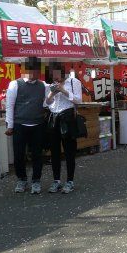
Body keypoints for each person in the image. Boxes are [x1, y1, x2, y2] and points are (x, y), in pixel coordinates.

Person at [5, 57, 49, 194]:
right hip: (19, 124)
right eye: (31, 71)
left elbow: (47, 104)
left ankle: (36, 181)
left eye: (36, 71)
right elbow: (10, 105)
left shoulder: (44, 85)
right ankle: (21, 179)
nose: (34, 74)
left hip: (38, 124)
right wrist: (10, 125)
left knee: (37, 154)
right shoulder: (15, 84)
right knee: (19, 154)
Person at [46, 65, 82, 194]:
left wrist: (63, 90)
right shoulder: (50, 85)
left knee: (69, 151)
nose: (54, 78)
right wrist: (51, 93)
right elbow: (47, 103)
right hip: (53, 118)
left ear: (63, 73)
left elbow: (78, 100)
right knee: (54, 151)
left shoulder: (74, 82)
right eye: (52, 75)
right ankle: (56, 181)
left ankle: (70, 181)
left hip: (67, 118)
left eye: (56, 75)